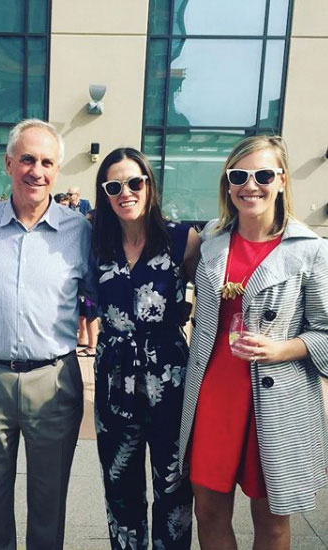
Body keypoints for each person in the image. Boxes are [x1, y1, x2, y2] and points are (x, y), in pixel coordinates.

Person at [179, 135, 328, 550]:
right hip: (214, 396)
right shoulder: (211, 242)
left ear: (281, 180)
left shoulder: (310, 250)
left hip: (277, 402)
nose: (251, 185)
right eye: (239, 175)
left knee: (272, 521)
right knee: (207, 512)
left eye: (263, 175)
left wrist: (284, 349)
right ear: (228, 184)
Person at [0, 119, 93, 550]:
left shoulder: (80, 232)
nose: (37, 170)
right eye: (28, 159)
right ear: (9, 163)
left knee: (49, 500)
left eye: (47, 162)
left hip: (53, 379)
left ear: (58, 169)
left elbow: (101, 293)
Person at [92, 147, 200, 550]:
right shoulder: (95, 241)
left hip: (170, 378)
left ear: (149, 185)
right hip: (113, 379)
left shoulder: (182, 240)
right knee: (120, 487)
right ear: (104, 193)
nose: (126, 192)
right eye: (114, 185)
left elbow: (215, 303)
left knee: (173, 488)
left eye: (135, 182)